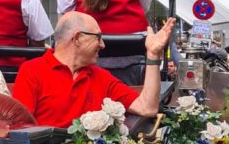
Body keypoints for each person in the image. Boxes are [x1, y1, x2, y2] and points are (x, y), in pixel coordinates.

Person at [11, 12, 175, 127]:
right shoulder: (32, 71)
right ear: (77, 38)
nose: (102, 45)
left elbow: (147, 107)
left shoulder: (101, 77)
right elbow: (21, 129)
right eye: (98, 37)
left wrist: (153, 54)